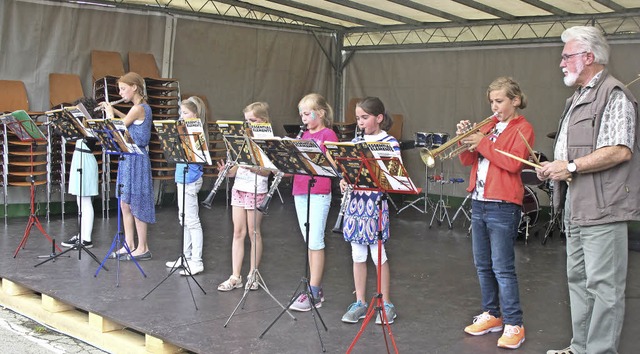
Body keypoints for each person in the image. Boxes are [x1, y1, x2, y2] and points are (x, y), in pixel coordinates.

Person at [537, 26, 639, 354]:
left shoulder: (614, 94)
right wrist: (557, 166)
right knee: (579, 283)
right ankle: (580, 348)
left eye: (567, 56)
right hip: (577, 205)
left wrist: (569, 167)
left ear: (589, 57)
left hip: (604, 207)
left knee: (604, 289)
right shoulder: (577, 98)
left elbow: (621, 149)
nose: (561, 62)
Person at [457, 77, 533, 349]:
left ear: (515, 100)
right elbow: (468, 160)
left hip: (503, 204)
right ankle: (492, 314)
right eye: (491, 101)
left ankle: (514, 323)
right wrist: (464, 140)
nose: (494, 106)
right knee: (482, 265)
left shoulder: (523, 128)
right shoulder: (488, 126)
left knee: (503, 268)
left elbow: (512, 164)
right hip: (479, 201)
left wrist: (482, 142)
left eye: (499, 101)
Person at [339, 96, 398, 325]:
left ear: (379, 118)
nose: (360, 122)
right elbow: (346, 170)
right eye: (358, 118)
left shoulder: (389, 142)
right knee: (357, 255)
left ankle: (386, 303)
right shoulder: (355, 142)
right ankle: (360, 302)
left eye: (365, 117)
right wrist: (343, 180)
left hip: (375, 203)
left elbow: (392, 175)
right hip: (355, 203)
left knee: (378, 254)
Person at [288, 93, 338, 312]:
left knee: (316, 241)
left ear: (321, 113)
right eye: (301, 114)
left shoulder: (328, 134)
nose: (304, 119)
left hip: (318, 190)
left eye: (307, 113)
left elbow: (334, 165)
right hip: (300, 189)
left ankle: (315, 290)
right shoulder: (303, 135)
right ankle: (311, 287)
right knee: (309, 240)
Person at [217, 102, 272, 291]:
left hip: (257, 189)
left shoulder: (268, 140)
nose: (248, 124)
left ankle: (253, 274)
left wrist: (252, 166)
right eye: (246, 120)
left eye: (253, 120)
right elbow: (235, 169)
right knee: (238, 232)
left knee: (253, 232)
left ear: (263, 120)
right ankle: (235, 276)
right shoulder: (241, 139)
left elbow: (267, 172)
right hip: (239, 187)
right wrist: (227, 171)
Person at [101, 72, 155, 261]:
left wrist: (109, 114)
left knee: (137, 202)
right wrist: (116, 112)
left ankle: (143, 247)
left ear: (134, 87)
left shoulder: (140, 108)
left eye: (123, 89)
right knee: (125, 203)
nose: (121, 92)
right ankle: (129, 244)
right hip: (128, 158)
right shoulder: (137, 109)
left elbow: (119, 128)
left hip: (137, 159)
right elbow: (131, 122)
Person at [165, 96, 208, 275]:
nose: (181, 116)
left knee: (192, 221)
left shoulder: (196, 134)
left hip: (191, 178)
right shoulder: (182, 131)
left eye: (185, 113)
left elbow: (199, 159)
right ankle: (186, 256)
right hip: (181, 176)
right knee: (183, 219)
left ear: (195, 115)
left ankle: (196, 261)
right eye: (181, 113)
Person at [61, 97, 100, 249]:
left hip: (86, 161)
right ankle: (82, 234)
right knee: (80, 200)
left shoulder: (91, 126)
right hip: (79, 159)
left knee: (85, 200)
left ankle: (86, 239)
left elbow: (89, 139)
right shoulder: (82, 125)